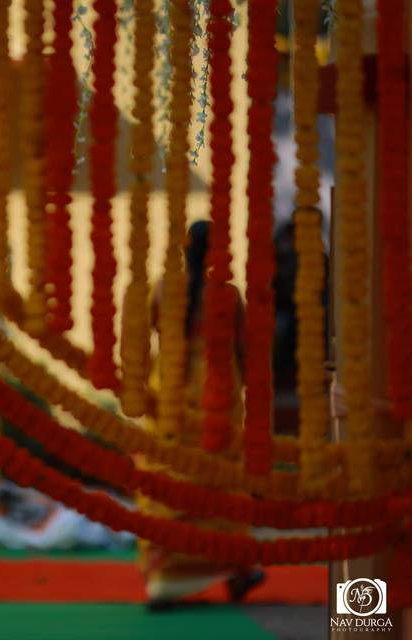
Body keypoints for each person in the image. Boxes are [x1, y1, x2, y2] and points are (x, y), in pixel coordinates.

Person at [141, 220, 263, 609]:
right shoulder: (228, 296)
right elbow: (246, 353)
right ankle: (237, 571)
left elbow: (141, 342)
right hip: (219, 397)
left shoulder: (162, 289)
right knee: (222, 487)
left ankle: (164, 576)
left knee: (170, 485)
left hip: (172, 397)